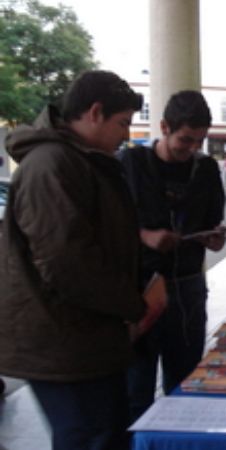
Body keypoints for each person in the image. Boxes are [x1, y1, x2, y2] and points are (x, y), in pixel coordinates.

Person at [0, 70, 153, 450]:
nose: (125, 134)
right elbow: (68, 262)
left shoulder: (81, 160)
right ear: (94, 113)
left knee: (105, 431)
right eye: (122, 123)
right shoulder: (51, 165)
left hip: (85, 337)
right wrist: (135, 305)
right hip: (63, 342)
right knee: (89, 436)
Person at [117, 90, 226, 422]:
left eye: (200, 141)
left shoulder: (205, 170)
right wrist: (146, 237)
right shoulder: (131, 164)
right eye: (185, 140)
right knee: (137, 391)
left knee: (187, 385)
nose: (192, 149)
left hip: (187, 288)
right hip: (141, 290)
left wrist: (214, 238)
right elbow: (103, 228)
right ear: (164, 127)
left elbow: (213, 225)